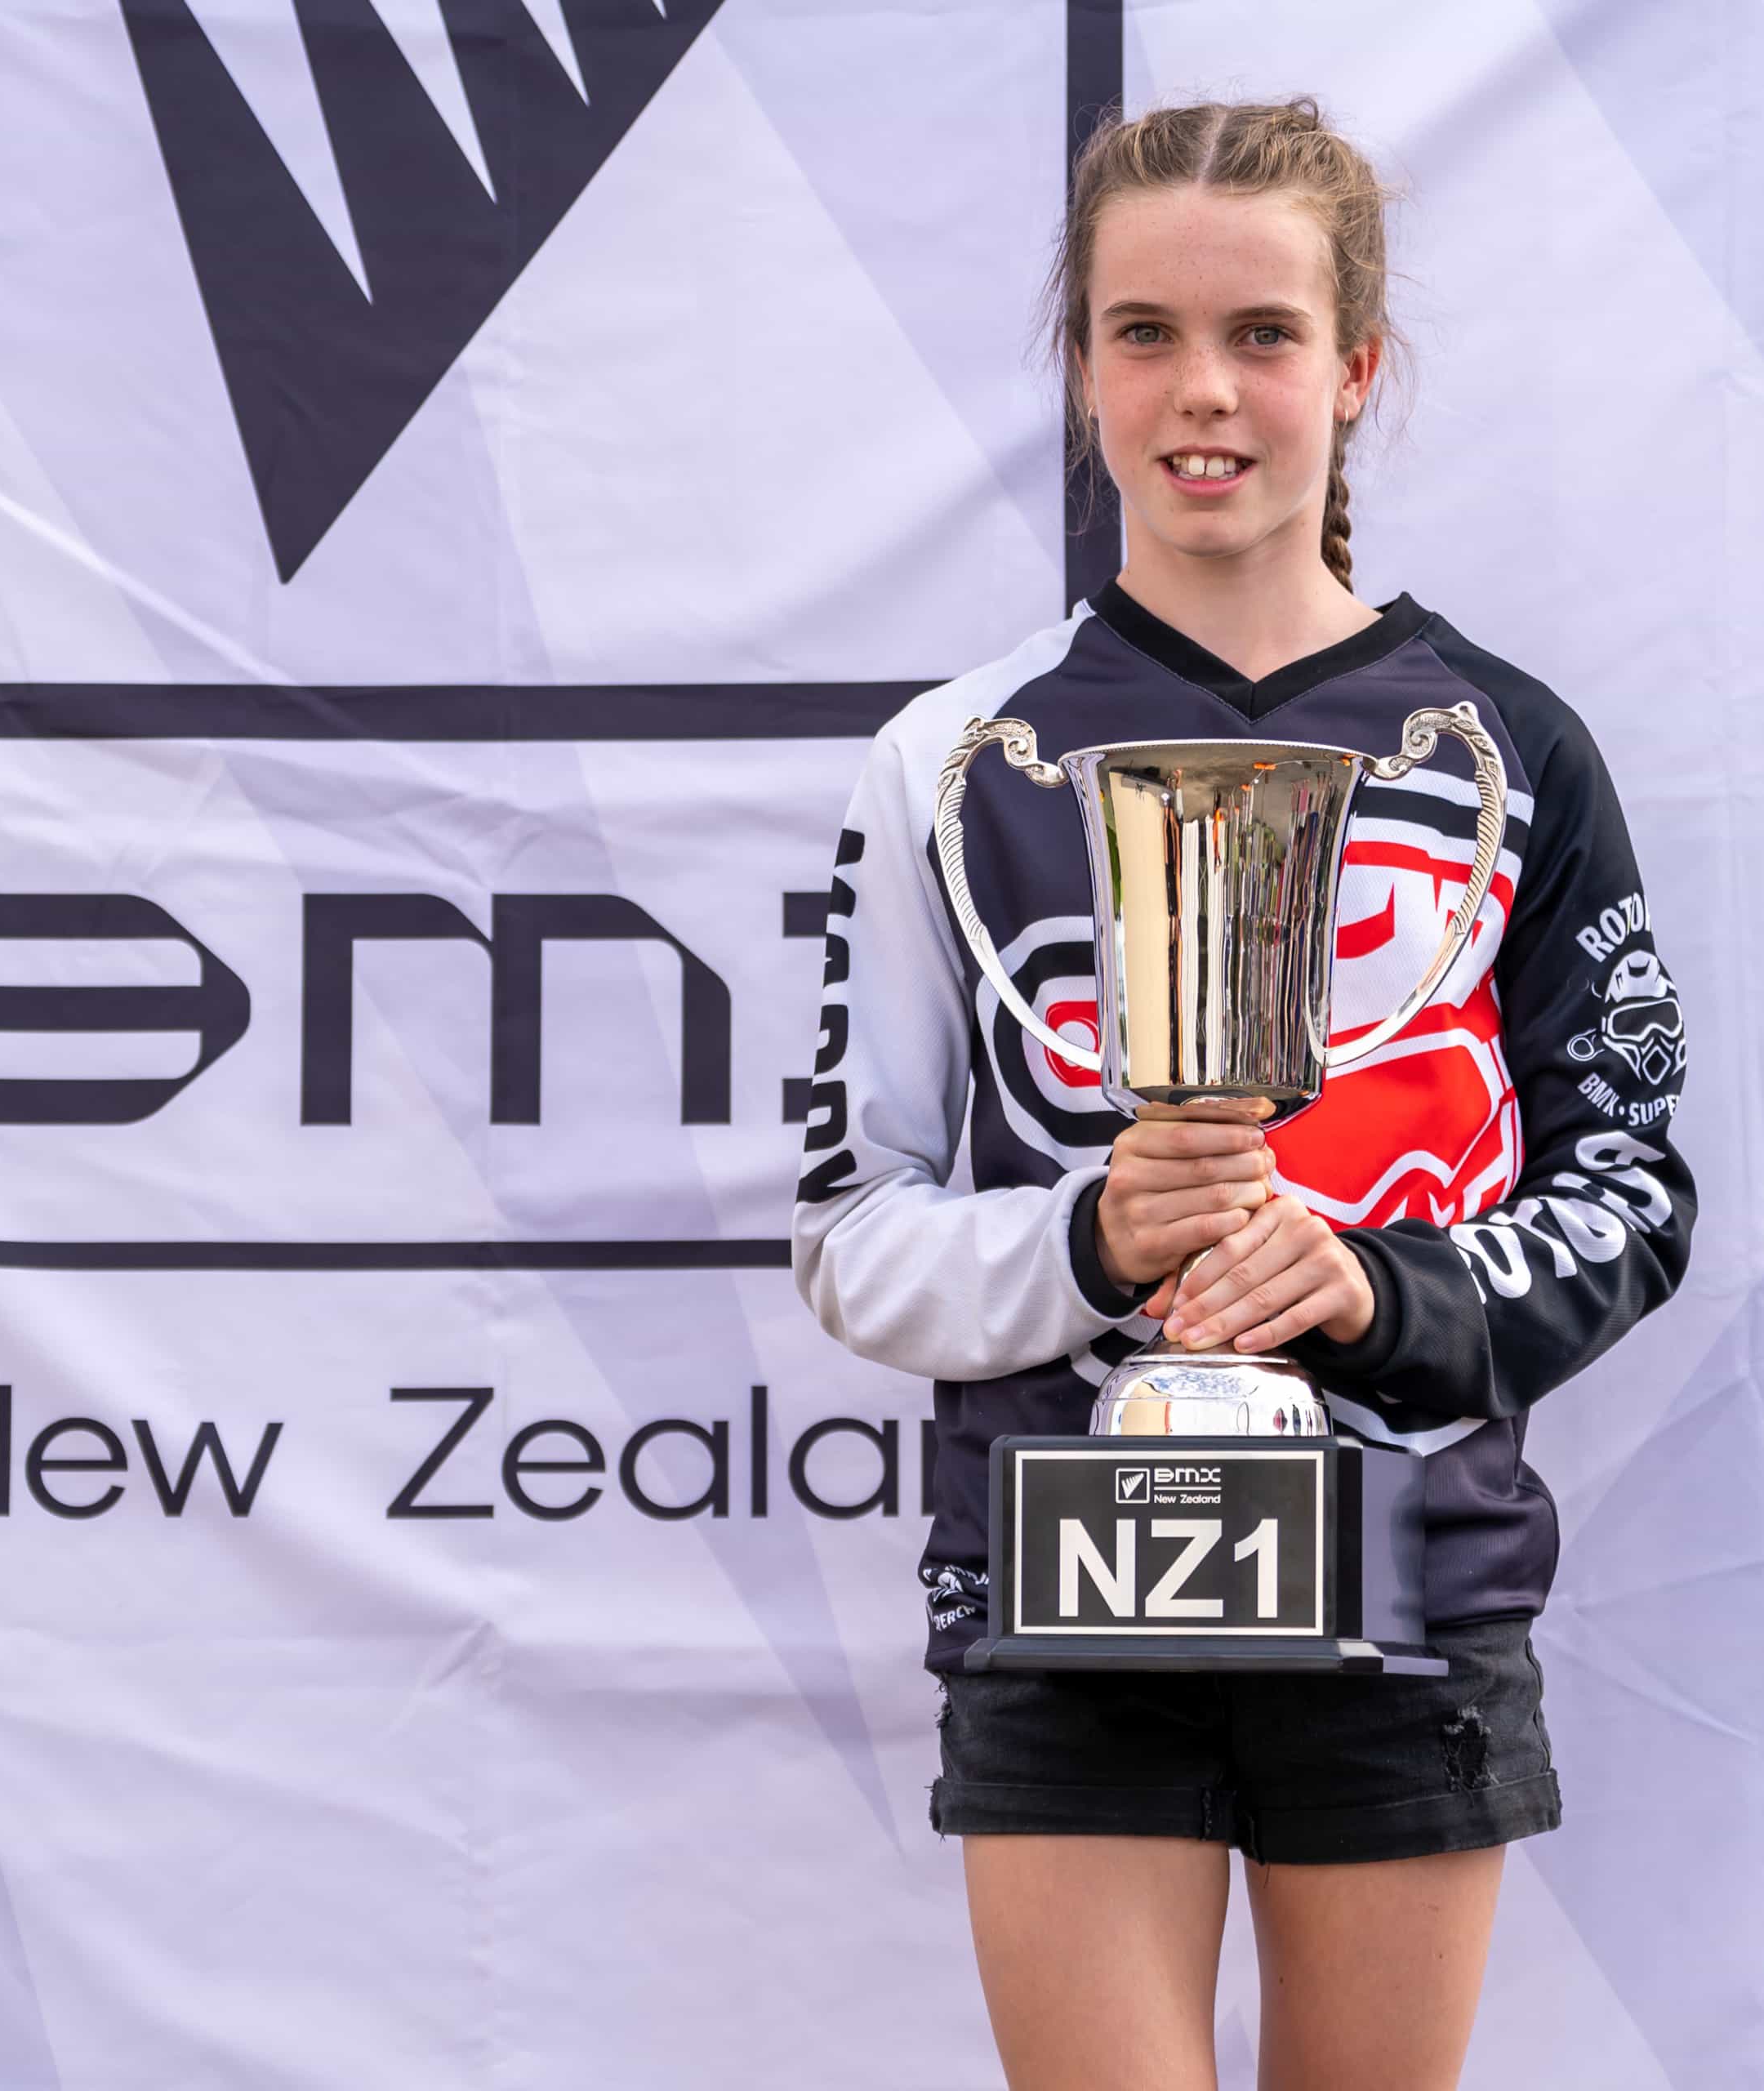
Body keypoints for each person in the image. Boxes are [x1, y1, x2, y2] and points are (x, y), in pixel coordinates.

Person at [789, 96, 1695, 2090]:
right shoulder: (954, 760)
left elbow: (1630, 1195)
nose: (1202, 390)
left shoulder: (1507, 750)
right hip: (1063, 1593)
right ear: (1081, 366)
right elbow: (852, 1232)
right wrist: (1093, 1233)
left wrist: (1371, 1288)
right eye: (1144, 332)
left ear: (1354, 368)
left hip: (1411, 1582)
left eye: (1263, 334)